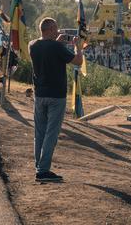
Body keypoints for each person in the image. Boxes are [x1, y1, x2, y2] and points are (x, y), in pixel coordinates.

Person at [29, 17, 83, 183]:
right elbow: (78, 61)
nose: (58, 31)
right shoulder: (56, 47)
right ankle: (44, 170)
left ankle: (39, 166)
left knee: (39, 132)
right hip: (56, 96)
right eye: (56, 29)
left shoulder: (33, 45)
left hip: (40, 94)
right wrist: (78, 47)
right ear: (50, 29)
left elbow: (48, 52)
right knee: (52, 133)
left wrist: (57, 43)